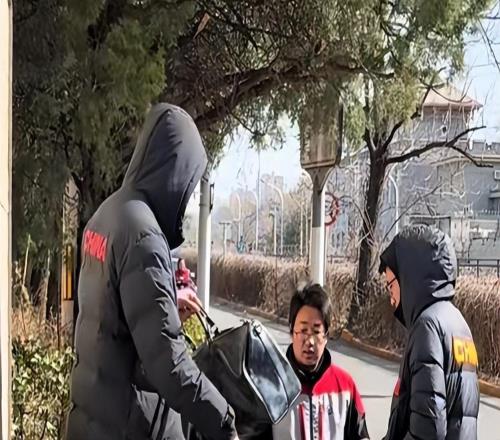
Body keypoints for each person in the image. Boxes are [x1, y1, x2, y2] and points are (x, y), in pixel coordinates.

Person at [66, 104, 238, 440]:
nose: (187, 196)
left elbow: (114, 320)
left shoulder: (108, 214)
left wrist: (168, 306)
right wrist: (224, 421)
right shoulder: (143, 234)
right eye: (189, 183)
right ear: (176, 172)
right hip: (128, 426)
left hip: (93, 417)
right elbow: (169, 365)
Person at [380, 225, 479, 440]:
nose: (391, 298)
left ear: (408, 278)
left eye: (390, 285)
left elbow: (427, 427)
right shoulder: (458, 323)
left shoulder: (428, 327)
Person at [269, 284, 369, 440]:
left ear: (326, 335)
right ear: (292, 332)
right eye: (303, 331)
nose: (309, 341)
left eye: (316, 332)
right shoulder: (271, 386)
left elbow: (360, 435)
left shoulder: (345, 386)